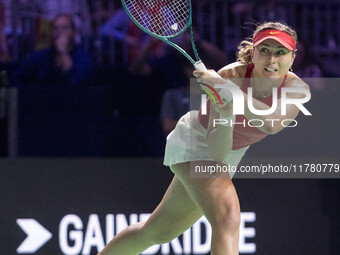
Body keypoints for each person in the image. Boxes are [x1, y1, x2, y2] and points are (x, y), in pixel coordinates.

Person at [98, 21, 310, 255]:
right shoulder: (230, 75)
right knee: (228, 218)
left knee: (157, 232)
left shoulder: (297, 89)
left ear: (292, 57)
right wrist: (226, 109)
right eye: (264, 51)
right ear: (253, 53)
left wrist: (230, 93)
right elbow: (216, 149)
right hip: (197, 143)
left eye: (280, 52)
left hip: (229, 154)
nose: (272, 60)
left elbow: (271, 122)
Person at [14, 14, 93, 87]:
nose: (59, 31)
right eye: (55, 28)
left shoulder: (83, 56)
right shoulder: (42, 55)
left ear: (74, 32)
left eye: (64, 28)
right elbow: (18, 76)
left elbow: (76, 82)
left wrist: (62, 50)